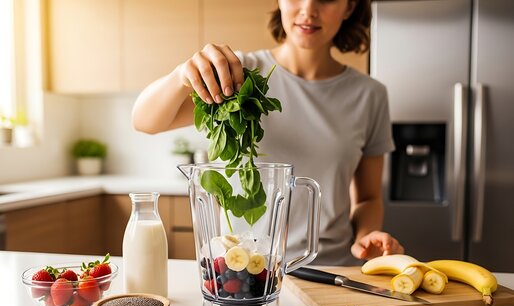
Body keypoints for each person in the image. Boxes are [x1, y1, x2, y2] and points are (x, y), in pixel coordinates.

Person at [132, 0, 404, 265]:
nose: (308, 9)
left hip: (332, 269)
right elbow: (144, 120)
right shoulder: (240, 74)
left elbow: (368, 198)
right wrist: (182, 75)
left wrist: (366, 236)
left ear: (350, 6)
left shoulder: (370, 95)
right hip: (248, 267)